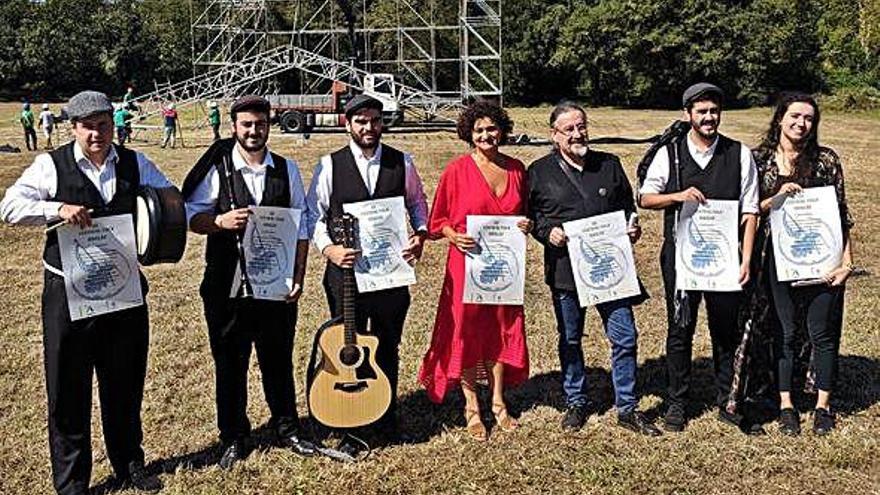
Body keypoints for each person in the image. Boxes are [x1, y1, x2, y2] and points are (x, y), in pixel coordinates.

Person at [0, 90, 170, 494]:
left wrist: (151, 231)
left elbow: (167, 196)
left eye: (104, 125)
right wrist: (55, 209)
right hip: (68, 292)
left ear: (114, 124)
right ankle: (73, 482)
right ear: (73, 127)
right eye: (88, 126)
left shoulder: (134, 161)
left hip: (124, 291)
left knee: (125, 382)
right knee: (68, 388)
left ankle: (130, 464)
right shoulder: (50, 165)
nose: (97, 133)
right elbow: (9, 206)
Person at [182, 95, 317, 468]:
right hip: (226, 285)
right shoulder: (218, 168)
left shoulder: (286, 169)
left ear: (269, 125)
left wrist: (298, 278)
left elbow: (301, 226)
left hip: (276, 285)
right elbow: (192, 217)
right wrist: (219, 222)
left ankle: (287, 427)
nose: (254, 131)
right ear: (234, 128)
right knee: (230, 361)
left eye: (260, 124)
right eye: (246, 125)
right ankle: (234, 436)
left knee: (278, 358)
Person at [528, 101, 660, 436]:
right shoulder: (538, 172)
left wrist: (632, 227)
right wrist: (547, 233)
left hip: (612, 272)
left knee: (625, 337)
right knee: (571, 338)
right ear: (554, 135)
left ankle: (628, 407)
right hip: (566, 271)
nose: (577, 134)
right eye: (569, 129)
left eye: (581, 126)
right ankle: (576, 400)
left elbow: (627, 208)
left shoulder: (610, 164)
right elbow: (530, 220)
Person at [305, 94, 429, 450]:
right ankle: (351, 421)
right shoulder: (329, 165)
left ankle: (386, 415)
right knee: (350, 344)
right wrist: (329, 249)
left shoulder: (401, 161)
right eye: (361, 122)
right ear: (348, 124)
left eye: (375, 120)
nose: (369, 128)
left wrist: (419, 235)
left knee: (388, 344)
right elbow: (314, 215)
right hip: (345, 275)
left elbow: (417, 203)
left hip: (390, 274)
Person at [638, 83, 762, 434]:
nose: (708, 117)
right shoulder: (671, 153)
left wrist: (746, 260)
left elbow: (750, 211)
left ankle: (728, 400)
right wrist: (678, 195)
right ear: (687, 115)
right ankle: (677, 402)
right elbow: (646, 198)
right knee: (681, 329)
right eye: (701, 111)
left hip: (725, 259)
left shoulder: (739, 154)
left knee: (725, 330)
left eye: (713, 111)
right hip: (681, 258)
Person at [417, 100, 531, 441]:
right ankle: (471, 407)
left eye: (492, 128)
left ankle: (497, 402)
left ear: (502, 131)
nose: (486, 135)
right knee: (465, 333)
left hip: (504, 269)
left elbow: (524, 214)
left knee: (500, 329)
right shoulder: (456, 170)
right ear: (469, 133)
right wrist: (454, 236)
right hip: (465, 265)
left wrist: (525, 225)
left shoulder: (517, 170)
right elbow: (437, 222)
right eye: (479, 130)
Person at [748, 92, 855, 435]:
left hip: (823, 262)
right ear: (779, 118)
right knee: (785, 332)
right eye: (795, 116)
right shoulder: (758, 160)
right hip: (776, 263)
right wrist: (774, 201)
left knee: (822, 333)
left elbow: (841, 216)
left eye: (809, 118)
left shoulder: (826, 161)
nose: (801, 123)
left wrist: (846, 263)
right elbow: (746, 212)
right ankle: (786, 406)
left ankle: (823, 406)